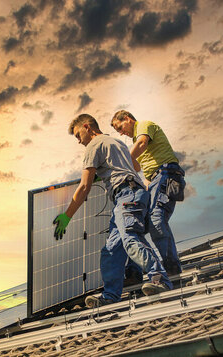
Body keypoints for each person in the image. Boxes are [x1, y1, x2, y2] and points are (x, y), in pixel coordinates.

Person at [53, 114, 172, 308]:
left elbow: (84, 187)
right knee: (111, 249)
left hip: (126, 195)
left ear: (87, 127)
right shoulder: (116, 142)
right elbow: (134, 166)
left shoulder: (94, 145)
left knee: (131, 239)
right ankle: (110, 295)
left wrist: (67, 215)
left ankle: (160, 279)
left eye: (77, 135)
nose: (78, 141)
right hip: (131, 195)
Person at [111, 110, 186, 276]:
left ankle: (171, 267)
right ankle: (134, 271)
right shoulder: (134, 142)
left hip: (166, 173)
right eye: (118, 132)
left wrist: (122, 160)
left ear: (128, 119)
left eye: (120, 127)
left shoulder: (144, 125)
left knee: (156, 220)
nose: (121, 132)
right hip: (153, 180)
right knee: (138, 224)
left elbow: (142, 144)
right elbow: (138, 168)